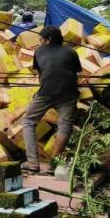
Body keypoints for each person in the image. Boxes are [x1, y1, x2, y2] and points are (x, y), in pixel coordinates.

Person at [21, 25, 82, 173]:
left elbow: (41, 75)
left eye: (41, 39)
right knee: (65, 125)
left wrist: (41, 92)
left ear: (48, 39)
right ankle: (53, 164)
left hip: (46, 92)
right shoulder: (71, 51)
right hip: (68, 93)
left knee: (28, 121)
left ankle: (33, 163)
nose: (40, 42)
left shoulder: (39, 51)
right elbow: (76, 72)